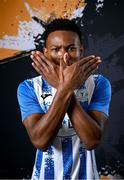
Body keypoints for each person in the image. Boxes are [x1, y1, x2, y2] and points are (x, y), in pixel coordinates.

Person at [17, 18, 111, 180]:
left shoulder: (98, 83)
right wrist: (66, 87)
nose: (64, 56)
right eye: (55, 49)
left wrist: (63, 87)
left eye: (71, 49)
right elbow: (40, 141)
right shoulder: (29, 88)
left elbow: (91, 141)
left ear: (81, 50)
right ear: (45, 52)